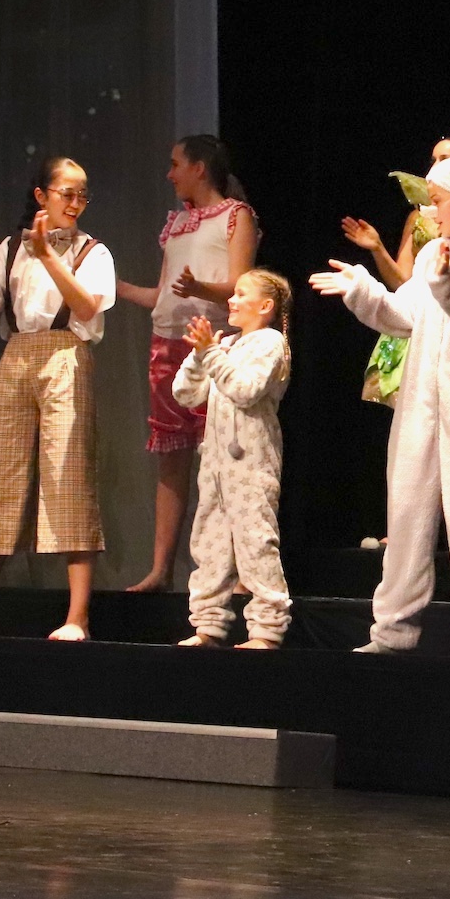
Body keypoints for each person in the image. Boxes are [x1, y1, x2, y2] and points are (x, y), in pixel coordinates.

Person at [313, 150, 450, 658]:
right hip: (420, 403)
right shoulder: (431, 257)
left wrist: (448, 284)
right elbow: (401, 316)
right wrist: (362, 289)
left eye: (438, 200)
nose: (431, 211)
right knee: (406, 515)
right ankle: (392, 632)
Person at [0, 156, 117, 640]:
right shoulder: (11, 248)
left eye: (82, 195)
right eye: (67, 193)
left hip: (66, 354)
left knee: (68, 475)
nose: (76, 203)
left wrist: (49, 255)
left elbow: (86, 307)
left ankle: (77, 617)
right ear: (40, 196)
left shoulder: (93, 251)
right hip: (17, 354)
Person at [115, 136, 257, 591]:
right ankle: (161, 571)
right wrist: (115, 287)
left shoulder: (236, 216)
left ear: (199, 168)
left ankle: (238, 571)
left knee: (224, 458)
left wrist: (200, 289)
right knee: (172, 462)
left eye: (176, 164)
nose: (170, 173)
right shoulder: (177, 223)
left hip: (213, 344)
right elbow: (163, 295)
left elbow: (241, 285)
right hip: (167, 346)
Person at [173, 270, 295, 649]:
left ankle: (267, 631)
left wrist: (211, 354)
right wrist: (200, 355)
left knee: (255, 542)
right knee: (209, 544)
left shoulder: (270, 343)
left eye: (241, 294)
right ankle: (208, 627)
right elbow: (185, 394)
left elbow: (245, 390)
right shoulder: (228, 344)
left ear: (265, 305)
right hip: (216, 465)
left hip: (251, 463)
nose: (232, 299)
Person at [340, 126, 450, 409]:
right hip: (416, 321)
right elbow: (403, 282)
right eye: (434, 160)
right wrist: (377, 247)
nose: (436, 167)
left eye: (445, 159)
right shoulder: (419, 217)